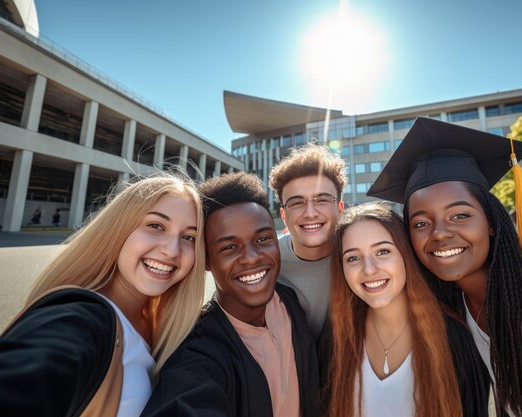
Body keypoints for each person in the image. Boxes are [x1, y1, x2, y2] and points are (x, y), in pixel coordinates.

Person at [368, 117, 522, 417]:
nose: (440, 233)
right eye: (421, 223)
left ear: (492, 223)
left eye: (460, 215)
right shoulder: (446, 312)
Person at [0, 173, 206, 417]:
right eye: (156, 226)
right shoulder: (79, 318)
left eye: (189, 237)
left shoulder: (165, 328)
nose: (172, 250)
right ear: (118, 229)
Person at [142, 172, 320, 417]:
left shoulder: (290, 300)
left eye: (264, 239)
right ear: (206, 259)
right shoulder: (199, 351)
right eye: (229, 247)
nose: (251, 257)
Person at [326, 202, 489, 417]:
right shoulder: (338, 338)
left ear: (406, 255)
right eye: (353, 258)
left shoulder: (453, 340)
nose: (369, 269)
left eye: (382, 251)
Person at [269, 144, 346, 340]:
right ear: (284, 215)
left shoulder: (359, 256)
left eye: (322, 200)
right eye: (297, 203)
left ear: (340, 208)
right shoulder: (265, 260)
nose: (310, 213)